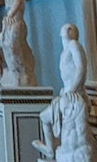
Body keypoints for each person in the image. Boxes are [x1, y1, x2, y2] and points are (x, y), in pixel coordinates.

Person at [34, 24, 91, 162]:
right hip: (65, 95)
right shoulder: (65, 50)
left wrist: (72, 89)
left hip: (73, 96)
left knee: (70, 136)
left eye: (69, 27)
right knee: (44, 117)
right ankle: (50, 150)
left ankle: (54, 152)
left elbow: (81, 68)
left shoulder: (74, 45)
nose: (66, 29)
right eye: (66, 27)